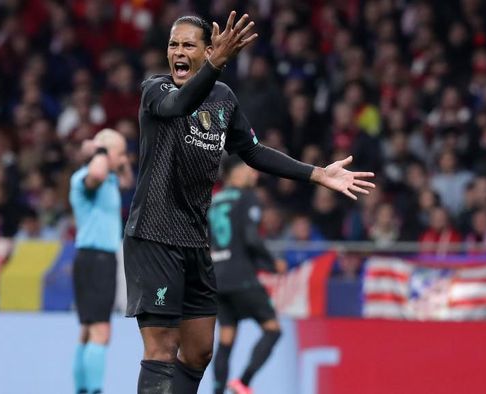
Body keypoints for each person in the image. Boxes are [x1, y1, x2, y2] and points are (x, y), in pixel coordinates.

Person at [123, 12, 374, 394]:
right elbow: (180, 106)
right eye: (174, 44)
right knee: (162, 347)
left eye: (188, 44)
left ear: (207, 49)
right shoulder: (155, 90)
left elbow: (254, 153)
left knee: (199, 351)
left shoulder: (224, 99)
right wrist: (214, 65)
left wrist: (317, 173)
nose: (178, 51)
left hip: (194, 241)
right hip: (154, 237)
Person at [208, 156, 286, 394]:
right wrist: (272, 263)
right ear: (234, 173)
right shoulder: (247, 198)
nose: (255, 175)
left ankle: (218, 391)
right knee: (273, 329)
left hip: (217, 278)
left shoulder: (214, 201)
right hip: (241, 277)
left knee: (226, 337)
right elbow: (251, 238)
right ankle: (243, 382)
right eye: (250, 170)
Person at [69, 129, 133, 394]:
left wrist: (120, 160)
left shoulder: (109, 179)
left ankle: (82, 389)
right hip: (96, 260)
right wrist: (100, 151)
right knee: (100, 332)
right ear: (102, 154)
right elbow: (96, 172)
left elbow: (128, 181)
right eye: (118, 153)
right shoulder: (85, 177)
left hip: (94, 259)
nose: (122, 158)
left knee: (87, 331)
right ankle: (93, 390)